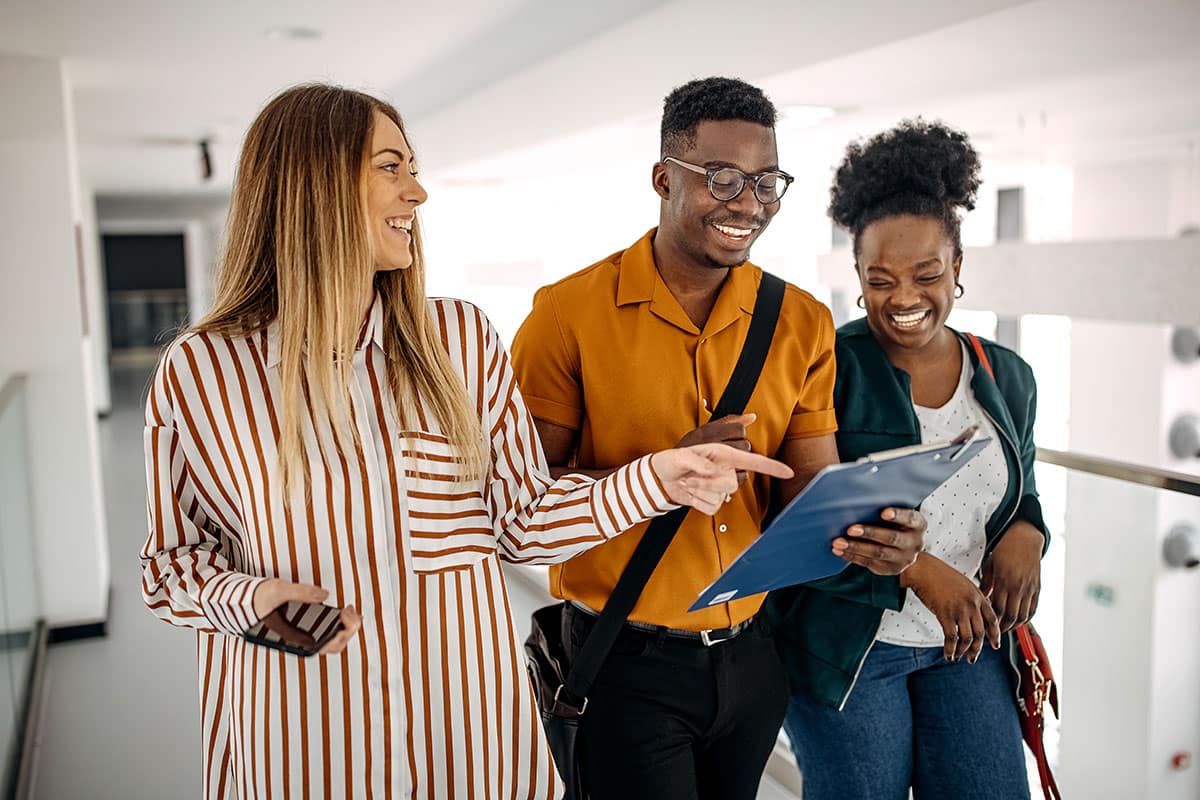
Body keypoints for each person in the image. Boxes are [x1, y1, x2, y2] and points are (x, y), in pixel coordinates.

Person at [139, 83, 793, 800]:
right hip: (305, 739)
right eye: (391, 168)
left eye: (412, 168)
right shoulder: (200, 371)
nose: (417, 193)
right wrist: (250, 597)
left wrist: (658, 479)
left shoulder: (462, 340)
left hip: (472, 734)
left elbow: (519, 521)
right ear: (313, 183)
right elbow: (171, 566)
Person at [509, 76, 926, 800]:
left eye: (767, 182)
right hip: (623, 659)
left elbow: (808, 501)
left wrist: (875, 534)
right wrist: (660, 471)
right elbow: (527, 511)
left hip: (753, 659)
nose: (749, 204)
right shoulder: (566, 315)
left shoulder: (800, 322)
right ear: (664, 178)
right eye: (724, 178)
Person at [767, 119, 1049, 799]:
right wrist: (921, 572)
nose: (904, 299)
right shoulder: (825, 366)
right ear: (858, 278)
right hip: (850, 650)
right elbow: (801, 526)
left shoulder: (1007, 375)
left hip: (966, 638)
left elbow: (1021, 493)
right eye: (879, 279)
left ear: (958, 266)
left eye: (926, 274)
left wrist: (1029, 535)